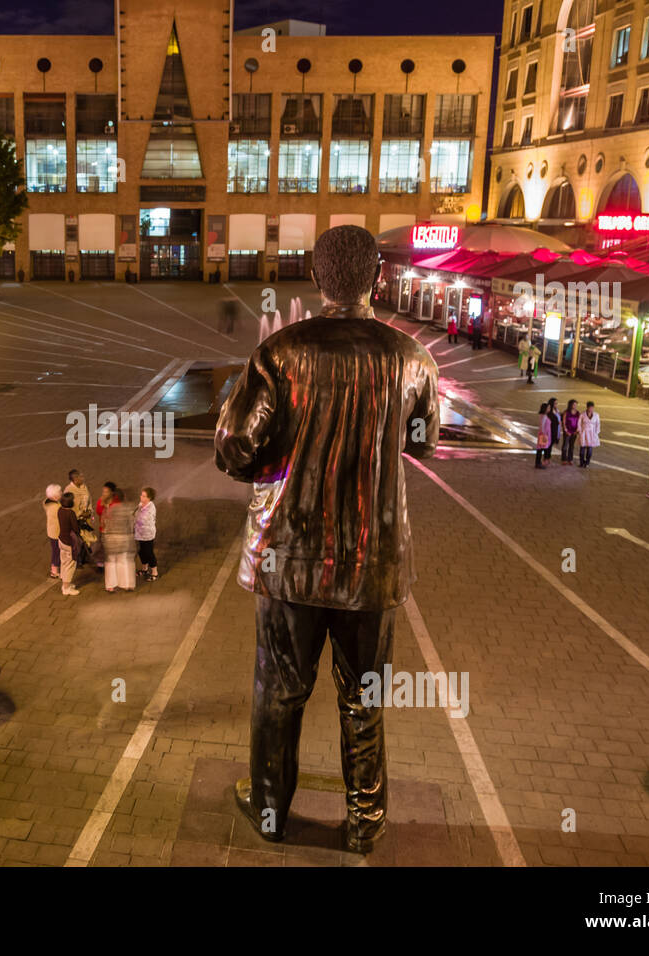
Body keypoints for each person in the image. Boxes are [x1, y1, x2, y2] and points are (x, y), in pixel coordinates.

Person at [214, 225, 439, 854]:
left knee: (279, 695)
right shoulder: (412, 359)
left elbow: (234, 445)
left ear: (317, 281)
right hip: (373, 565)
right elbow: (422, 443)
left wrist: (279, 468)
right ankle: (366, 825)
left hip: (290, 560)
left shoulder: (281, 353)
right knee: (364, 701)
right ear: (377, 280)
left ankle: (270, 812)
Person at [102, 489, 138, 592]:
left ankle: (110, 585)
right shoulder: (128, 509)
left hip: (111, 539)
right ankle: (127, 584)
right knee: (125, 561)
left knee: (111, 562)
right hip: (125, 539)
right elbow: (132, 525)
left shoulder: (109, 509)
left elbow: (105, 525)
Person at [57, 491, 82, 595]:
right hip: (69, 542)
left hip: (61, 539)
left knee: (63, 562)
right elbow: (76, 528)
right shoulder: (70, 513)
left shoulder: (60, 510)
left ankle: (65, 584)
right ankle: (66, 588)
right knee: (70, 564)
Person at [134, 487, 158, 581]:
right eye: (141, 495)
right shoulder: (141, 504)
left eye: (144, 496)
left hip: (147, 535)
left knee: (149, 553)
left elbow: (144, 520)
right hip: (139, 533)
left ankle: (155, 572)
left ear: (149, 498)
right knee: (141, 551)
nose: (141, 497)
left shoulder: (151, 508)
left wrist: (135, 520)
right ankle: (144, 569)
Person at [43, 484, 63, 578]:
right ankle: (54, 570)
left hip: (51, 531)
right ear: (55, 496)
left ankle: (55, 568)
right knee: (57, 552)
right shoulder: (56, 508)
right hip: (56, 533)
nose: (62, 493)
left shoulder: (47, 503)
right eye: (60, 492)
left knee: (55, 551)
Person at [577, 401, 601, 467]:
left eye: (592, 408)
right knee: (582, 449)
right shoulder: (582, 414)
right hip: (584, 433)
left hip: (592, 433)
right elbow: (579, 423)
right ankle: (581, 462)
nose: (591, 409)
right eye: (590, 408)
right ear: (587, 407)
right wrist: (580, 431)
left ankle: (587, 462)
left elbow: (598, 424)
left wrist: (596, 432)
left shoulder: (596, 415)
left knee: (590, 449)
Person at [560, 399, 580, 465]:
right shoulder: (566, 412)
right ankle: (564, 459)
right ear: (570, 405)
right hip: (567, 432)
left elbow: (579, 423)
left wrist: (577, 431)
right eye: (574, 404)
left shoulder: (578, 413)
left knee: (572, 446)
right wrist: (566, 431)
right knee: (565, 445)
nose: (575, 406)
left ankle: (570, 459)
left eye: (576, 405)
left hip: (574, 432)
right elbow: (564, 422)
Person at [544, 398, 561, 463]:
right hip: (551, 430)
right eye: (555, 403)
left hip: (556, 430)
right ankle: (546, 458)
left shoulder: (557, 410)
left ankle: (548, 458)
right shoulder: (549, 412)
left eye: (557, 403)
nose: (556, 404)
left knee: (551, 445)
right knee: (548, 445)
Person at [535, 402, 551, 469]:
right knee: (541, 449)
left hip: (543, 434)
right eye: (548, 408)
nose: (549, 409)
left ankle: (538, 463)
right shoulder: (544, 416)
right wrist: (544, 435)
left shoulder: (543, 415)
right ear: (545, 409)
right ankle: (538, 463)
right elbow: (542, 426)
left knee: (541, 449)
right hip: (543, 435)